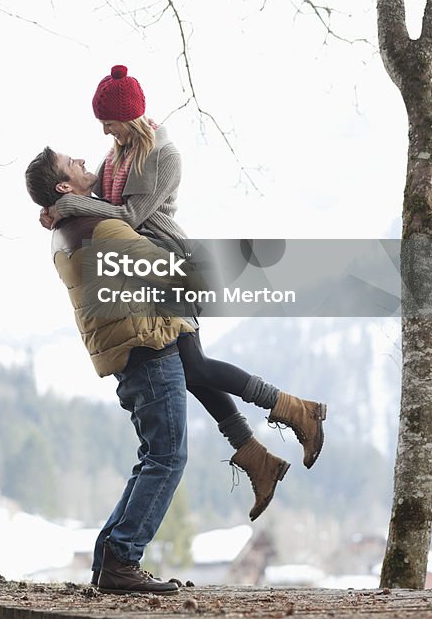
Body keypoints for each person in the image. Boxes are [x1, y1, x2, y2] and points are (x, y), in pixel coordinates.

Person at [43, 65, 327, 513]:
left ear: (129, 117)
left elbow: (127, 218)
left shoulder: (163, 156)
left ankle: (294, 410)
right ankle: (259, 454)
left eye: (109, 121)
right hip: (148, 277)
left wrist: (65, 204)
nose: (103, 129)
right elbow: (101, 208)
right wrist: (67, 208)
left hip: (173, 264)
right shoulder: (114, 157)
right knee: (193, 369)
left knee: (197, 366)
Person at [25, 147, 190, 594]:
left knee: (151, 455)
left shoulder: (65, 229)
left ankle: (108, 559)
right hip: (149, 347)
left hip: (126, 353)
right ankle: (122, 561)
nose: (82, 160)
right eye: (71, 163)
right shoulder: (101, 227)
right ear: (64, 187)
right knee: (168, 457)